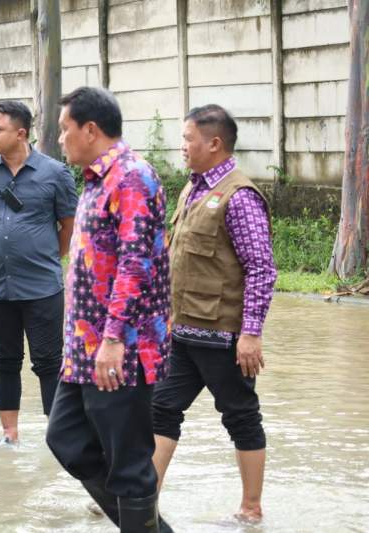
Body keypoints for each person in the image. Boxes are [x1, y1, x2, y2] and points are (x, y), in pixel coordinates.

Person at [45, 86, 173, 533]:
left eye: (65, 130)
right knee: (65, 438)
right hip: (85, 350)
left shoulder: (132, 176)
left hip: (120, 351)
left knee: (130, 463)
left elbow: (136, 263)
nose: (61, 139)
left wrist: (115, 339)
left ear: (91, 129)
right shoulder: (97, 180)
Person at [151, 104, 277, 523]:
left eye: (188, 138)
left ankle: (251, 510)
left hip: (224, 339)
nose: (182, 146)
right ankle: (141, 498)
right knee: (160, 409)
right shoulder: (192, 189)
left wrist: (251, 334)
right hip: (182, 333)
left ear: (214, 143)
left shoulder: (238, 197)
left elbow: (261, 268)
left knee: (240, 416)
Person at [0, 100, 78, 445]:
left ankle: (57, 437)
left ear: (21, 133)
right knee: (4, 359)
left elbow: (69, 225)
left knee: (48, 362)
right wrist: (0, 251)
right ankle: (9, 436)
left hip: (42, 288)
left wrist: (44, 257)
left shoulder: (55, 174)